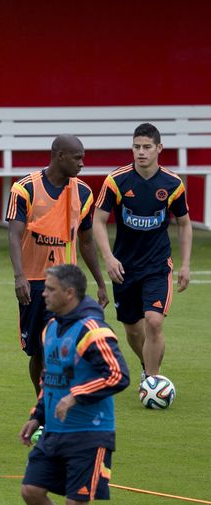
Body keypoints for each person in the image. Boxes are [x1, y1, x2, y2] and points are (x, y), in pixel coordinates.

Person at [7, 135, 108, 401]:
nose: (82, 164)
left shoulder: (84, 193)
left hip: (67, 284)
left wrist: (99, 282)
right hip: (34, 283)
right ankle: (42, 407)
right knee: (39, 352)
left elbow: (86, 242)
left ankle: (56, 408)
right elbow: (14, 236)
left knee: (61, 347)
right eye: (77, 158)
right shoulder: (24, 189)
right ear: (60, 156)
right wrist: (19, 277)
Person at [19, 264, 129, 504]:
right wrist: (37, 416)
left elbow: (118, 375)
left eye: (50, 289)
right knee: (31, 490)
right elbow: (49, 377)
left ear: (69, 293)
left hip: (89, 435)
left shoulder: (93, 331)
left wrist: (75, 396)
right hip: (54, 433)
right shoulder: (50, 328)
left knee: (75, 502)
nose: (43, 294)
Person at [93, 123, 192, 381]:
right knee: (134, 330)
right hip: (124, 267)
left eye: (147, 147)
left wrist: (185, 265)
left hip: (157, 265)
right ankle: (146, 366)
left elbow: (185, 223)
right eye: (136, 147)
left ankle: (152, 380)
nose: (141, 152)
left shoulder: (172, 184)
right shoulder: (116, 181)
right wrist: (108, 257)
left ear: (159, 148)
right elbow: (98, 220)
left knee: (154, 321)